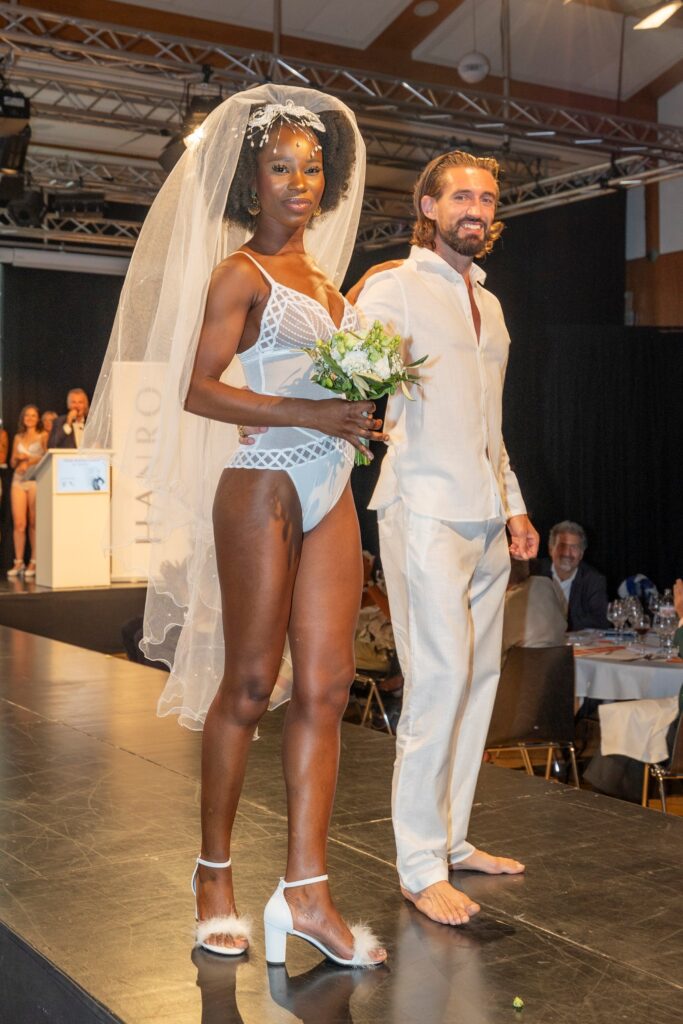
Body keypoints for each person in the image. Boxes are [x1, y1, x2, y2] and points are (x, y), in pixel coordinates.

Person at [84, 85, 386, 968]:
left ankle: (306, 893)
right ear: (251, 182)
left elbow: (331, 389)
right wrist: (305, 410)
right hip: (262, 485)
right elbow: (196, 388)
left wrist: (360, 411)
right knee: (251, 686)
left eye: (311, 168)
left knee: (327, 687)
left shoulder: (328, 284)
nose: (298, 182)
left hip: (332, 484)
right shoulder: (240, 274)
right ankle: (212, 876)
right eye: (280, 168)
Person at [352, 150, 539, 927]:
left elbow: (488, 422)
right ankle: (419, 865)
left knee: (477, 682)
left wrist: (514, 506)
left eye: (487, 199)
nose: (476, 208)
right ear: (426, 206)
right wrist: (361, 331)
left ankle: (452, 837)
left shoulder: (488, 304)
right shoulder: (392, 287)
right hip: (422, 507)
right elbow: (354, 377)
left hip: (485, 515)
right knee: (435, 683)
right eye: (460, 195)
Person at [531, 520, 609, 630]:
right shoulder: (534, 573)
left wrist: (560, 626)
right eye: (562, 546)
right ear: (551, 549)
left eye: (574, 547)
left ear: (581, 554)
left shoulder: (594, 580)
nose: (567, 553)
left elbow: (600, 620)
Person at [501, 557, 567, 663]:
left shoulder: (505, 602)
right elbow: (563, 620)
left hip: (518, 669)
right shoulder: (546, 584)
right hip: (557, 666)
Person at [8, 405, 48, 577]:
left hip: (33, 480)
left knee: (33, 521)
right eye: (27, 415)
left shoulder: (43, 435)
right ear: (22, 418)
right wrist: (18, 458)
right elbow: (12, 462)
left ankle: (34, 560)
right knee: (19, 523)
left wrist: (30, 460)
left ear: (38, 418)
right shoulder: (18, 437)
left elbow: (47, 457)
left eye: (33, 415)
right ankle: (18, 562)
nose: (30, 418)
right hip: (18, 480)